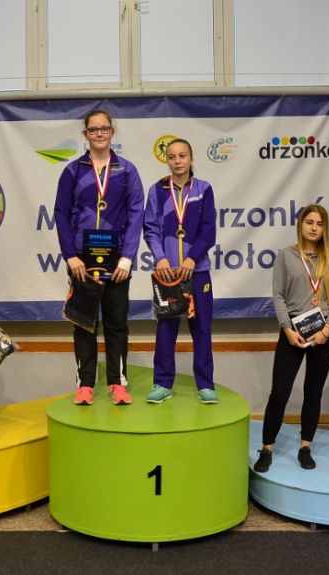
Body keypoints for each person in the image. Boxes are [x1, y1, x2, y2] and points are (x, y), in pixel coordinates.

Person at [53, 109, 144, 406]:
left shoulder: (127, 171)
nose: (100, 133)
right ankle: (86, 384)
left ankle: (118, 383)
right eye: (94, 129)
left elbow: (136, 214)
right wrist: (70, 256)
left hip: (117, 261)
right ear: (86, 135)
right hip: (82, 260)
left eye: (104, 128)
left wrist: (127, 257)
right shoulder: (73, 171)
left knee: (117, 324)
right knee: (84, 324)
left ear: (112, 132)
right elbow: (61, 214)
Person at [254, 205, 329, 472]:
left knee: (313, 392)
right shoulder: (286, 255)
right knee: (279, 393)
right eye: (309, 222)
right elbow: (278, 295)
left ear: (325, 228)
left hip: (324, 333)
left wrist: (328, 329)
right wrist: (287, 329)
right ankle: (267, 448)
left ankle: (305, 447)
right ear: (301, 225)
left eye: (320, 223)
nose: (314, 228)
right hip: (292, 331)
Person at [142, 138, 218, 405]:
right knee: (166, 329)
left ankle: (205, 385)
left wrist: (193, 259)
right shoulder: (157, 190)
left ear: (191, 158)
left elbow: (208, 229)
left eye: (182, 156)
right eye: (172, 157)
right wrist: (160, 258)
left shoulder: (204, 189)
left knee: (202, 329)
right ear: (167, 160)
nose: (177, 161)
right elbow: (150, 228)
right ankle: (162, 383)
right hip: (169, 274)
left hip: (198, 271)